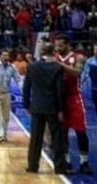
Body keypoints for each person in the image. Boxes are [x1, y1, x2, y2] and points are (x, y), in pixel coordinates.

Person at [24, 44, 69, 175]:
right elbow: (60, 90)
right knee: (57, 138)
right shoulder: (58, 67)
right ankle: (60, 168)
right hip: (53, 106)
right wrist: (61, 109)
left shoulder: (32, 66)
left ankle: (32, 166)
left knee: (36, 137)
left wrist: (26, 104)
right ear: (53, 52)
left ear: (41, 51)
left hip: (37, 106)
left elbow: (26, 87)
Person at [55, 36, 93, 175]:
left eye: (60, 45)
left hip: (75, 97)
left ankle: (84, 162)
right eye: (56, 46)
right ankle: (67, 161)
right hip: (60, 99)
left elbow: (77, 72)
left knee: (81, 131)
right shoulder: (54, 57)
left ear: (68, 45)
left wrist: (60, 65)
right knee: (62, 132)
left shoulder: (79, 57)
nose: (58, 48)